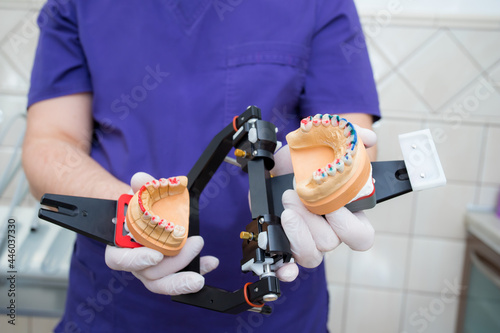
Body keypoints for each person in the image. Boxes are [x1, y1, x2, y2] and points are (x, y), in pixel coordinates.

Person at [22, 0, 380, 332]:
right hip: (114, 309)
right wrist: (137, 221)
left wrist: (316, 186)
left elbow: (351, 144)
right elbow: (51, 141)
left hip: (282, 312)